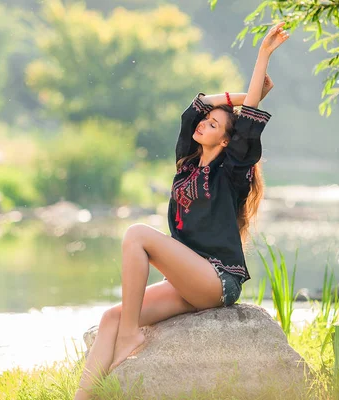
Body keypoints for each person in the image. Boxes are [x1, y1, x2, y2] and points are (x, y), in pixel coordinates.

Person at [74, 21, 290, 400]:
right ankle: (84, 395)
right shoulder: (187, 164)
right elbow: (198, 105)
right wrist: (234, 99)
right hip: (186, 282)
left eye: (214, 125)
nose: (205, 123)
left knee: (136, 235)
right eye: (207, 121)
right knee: (110, 317)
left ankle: (130, 338)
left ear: (227, 141)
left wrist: (262, 57)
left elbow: (248, 125)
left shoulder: (230, 173)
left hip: (217, 280)